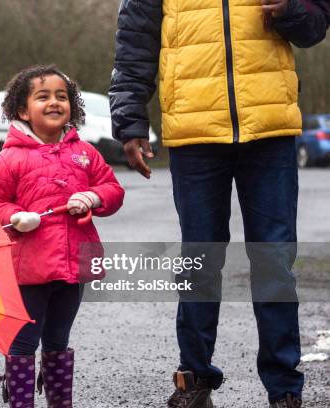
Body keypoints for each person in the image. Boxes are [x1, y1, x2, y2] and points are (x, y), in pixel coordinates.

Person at [109, 0, 329, 407]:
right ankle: (194, 379)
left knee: (274, 262)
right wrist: (130, 122)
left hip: (270, 129)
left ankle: (284, 391)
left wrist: (291, 9)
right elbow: (134, 46)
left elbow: (315, 28)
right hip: (193, 132)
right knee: (200, 260)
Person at [0, 65, 124, 408]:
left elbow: (112, 188)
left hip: (73, 264)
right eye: (42, 96)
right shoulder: (8, 158)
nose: (54, 102)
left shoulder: (85, 153)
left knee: (59, 337)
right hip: (28, 268)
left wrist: (92, 197)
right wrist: (14, 216)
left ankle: (61, 401)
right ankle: (20, 399)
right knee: (24, 340)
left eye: (62, 96)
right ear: (22, 109)